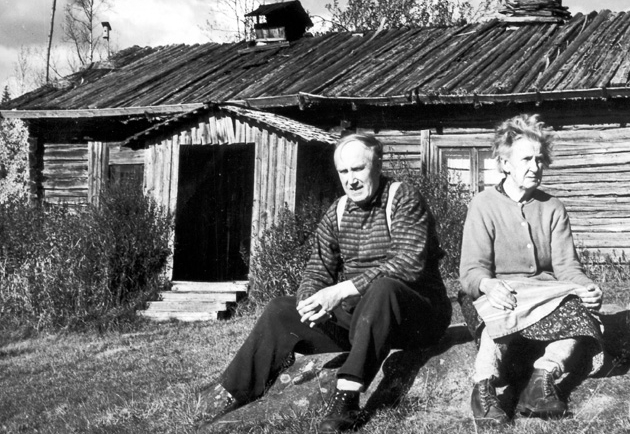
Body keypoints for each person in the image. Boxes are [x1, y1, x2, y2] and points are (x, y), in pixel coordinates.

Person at [198, 133, 452, 433]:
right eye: (343, 172)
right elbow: (317, 269)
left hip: (417, 316)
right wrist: (311, 302)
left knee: (383, 287)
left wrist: (341, 290)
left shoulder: (403, 198)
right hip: (364, 321)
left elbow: (408, 264)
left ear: (378, 164)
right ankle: (233, 392)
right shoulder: (338, 211)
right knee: (281, 310)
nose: (351, 180)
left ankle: (347, 398)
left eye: (358, 169)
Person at [459, 114, 604, 426]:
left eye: (539, 160)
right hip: (497, 291)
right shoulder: (483, 204)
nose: (535, 167)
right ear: (505, 163)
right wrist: (488, 285)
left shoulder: (553, 207)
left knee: (578, 308)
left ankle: (540, 383)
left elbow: (567, 266)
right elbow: (471, 270)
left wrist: (585, 287)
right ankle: (483, 389)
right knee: (500, 310)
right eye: (526, 159)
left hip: (542, 292)